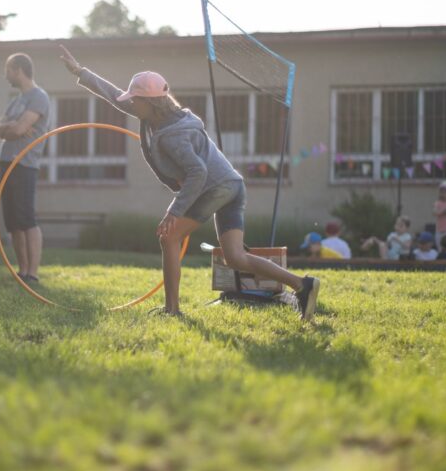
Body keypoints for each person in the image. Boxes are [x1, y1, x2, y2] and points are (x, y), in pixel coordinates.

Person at [58, 45, 319, 320]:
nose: (130, 103)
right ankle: (303, 284)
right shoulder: (155, 115)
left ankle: (173, 310)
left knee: (169, 236)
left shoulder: (173, 134)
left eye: (135, 99)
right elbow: (114, 96)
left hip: (215, 187)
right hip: (232, 185)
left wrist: (174, 212)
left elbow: (198, 173)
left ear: (151, 102)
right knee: (234, 258)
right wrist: (80, 72)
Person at [0, 53, 51, 284]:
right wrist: (11, 126)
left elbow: (18, 131)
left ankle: (33, 274)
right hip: (7, 162)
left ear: (17, 69)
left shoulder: (39, 97)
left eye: (7, 70)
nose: (6, 75)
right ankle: (23, 271)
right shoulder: (16, 101)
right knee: (13, 221)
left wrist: (12, 128)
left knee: (26, 218)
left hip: (24, 164)